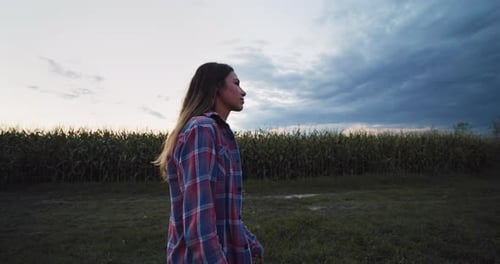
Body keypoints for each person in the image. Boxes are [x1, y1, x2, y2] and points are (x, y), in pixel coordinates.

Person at [155, 62, 264, 263]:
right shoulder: (202, 129)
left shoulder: (215, 131)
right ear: (217, 87)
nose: (243, 91)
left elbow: (224, 211)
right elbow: (199, 223)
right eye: (236, 83)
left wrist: (251, 243)